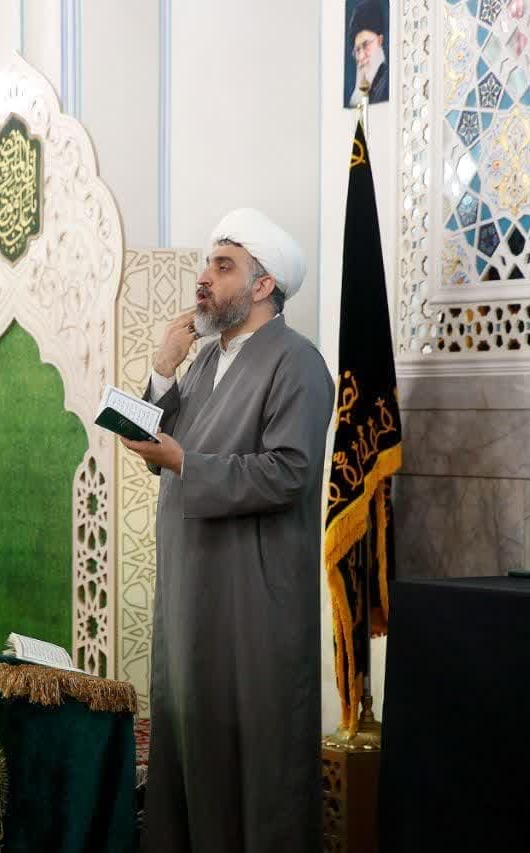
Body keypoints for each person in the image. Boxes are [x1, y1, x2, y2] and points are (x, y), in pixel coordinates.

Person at [121, 208, 335, 853]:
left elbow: (289, 473)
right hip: (193, 578)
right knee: (192, 734)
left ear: (263, 285)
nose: (204, 279)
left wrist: (187, 463)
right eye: (206, 265)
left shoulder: (297, 363)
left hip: (252, 587)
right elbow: (149, 445)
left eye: (223, 266)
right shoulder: (204, 362)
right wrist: (163, 368)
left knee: (256, 745)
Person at [347, 0, 388, 107]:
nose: (361, 56)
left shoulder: (387, 83)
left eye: (366, 45)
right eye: (357, 50)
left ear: (379, 41)